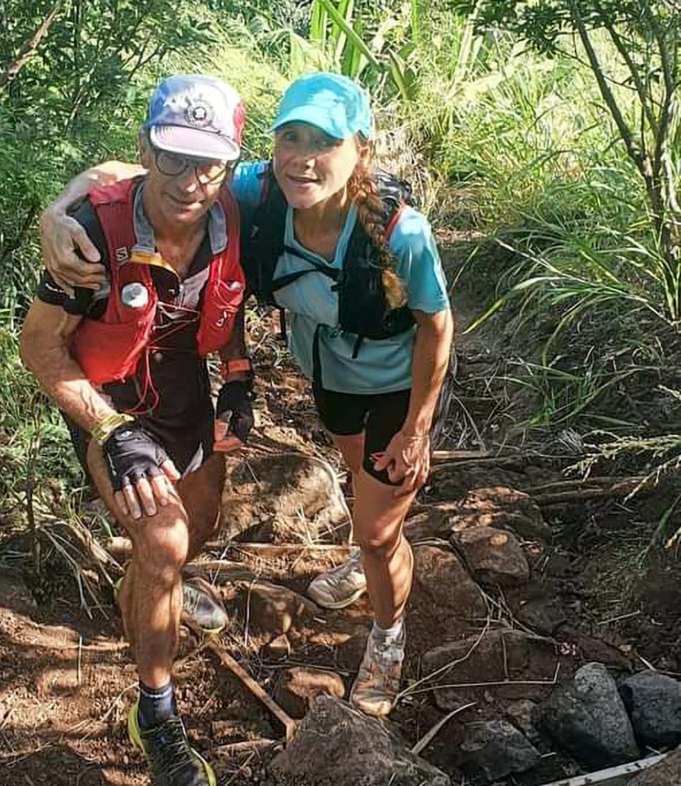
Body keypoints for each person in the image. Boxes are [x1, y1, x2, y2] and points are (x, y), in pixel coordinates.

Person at [40, 72, 454, 718]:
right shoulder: (255, 192)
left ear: (361, 151)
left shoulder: (398, 234)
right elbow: (141, 174)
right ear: (270, 146)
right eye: (291, 137)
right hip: (333, 378)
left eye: (325, 141)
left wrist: (419, 427)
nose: (303, 157)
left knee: (377, 530)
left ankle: (388, 634)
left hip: (399, 384)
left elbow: (437, 324)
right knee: (358, 485)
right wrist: (58, 211)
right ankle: (366, 551)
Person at [21, 74, 256, 786]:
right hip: (110, 397)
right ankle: (156, 717)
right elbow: (39, 344)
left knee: (199, 526)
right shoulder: (92, 233)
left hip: (186, 388)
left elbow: (232, 295)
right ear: (145, 149)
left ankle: (149, 591)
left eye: (207, 162)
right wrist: (109, 431)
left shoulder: (232, 215)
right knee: (163, 540)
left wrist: (240, 374)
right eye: (173, 158)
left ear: (230, 164)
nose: (189, 180)